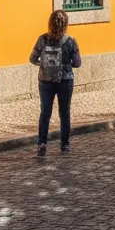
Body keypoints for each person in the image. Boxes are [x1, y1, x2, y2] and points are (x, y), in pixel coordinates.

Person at [29, 10, 82, 157]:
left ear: (50, 23)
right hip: (65, 80)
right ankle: (65, 145)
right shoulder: (71, 41)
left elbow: (32, 58)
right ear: (66, 24)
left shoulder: (42, 39)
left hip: (45, 80)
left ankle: (42, 143)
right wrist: (66, 63)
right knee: (64, 113)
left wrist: (44, 64)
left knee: (45, 112)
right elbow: (78, 63)